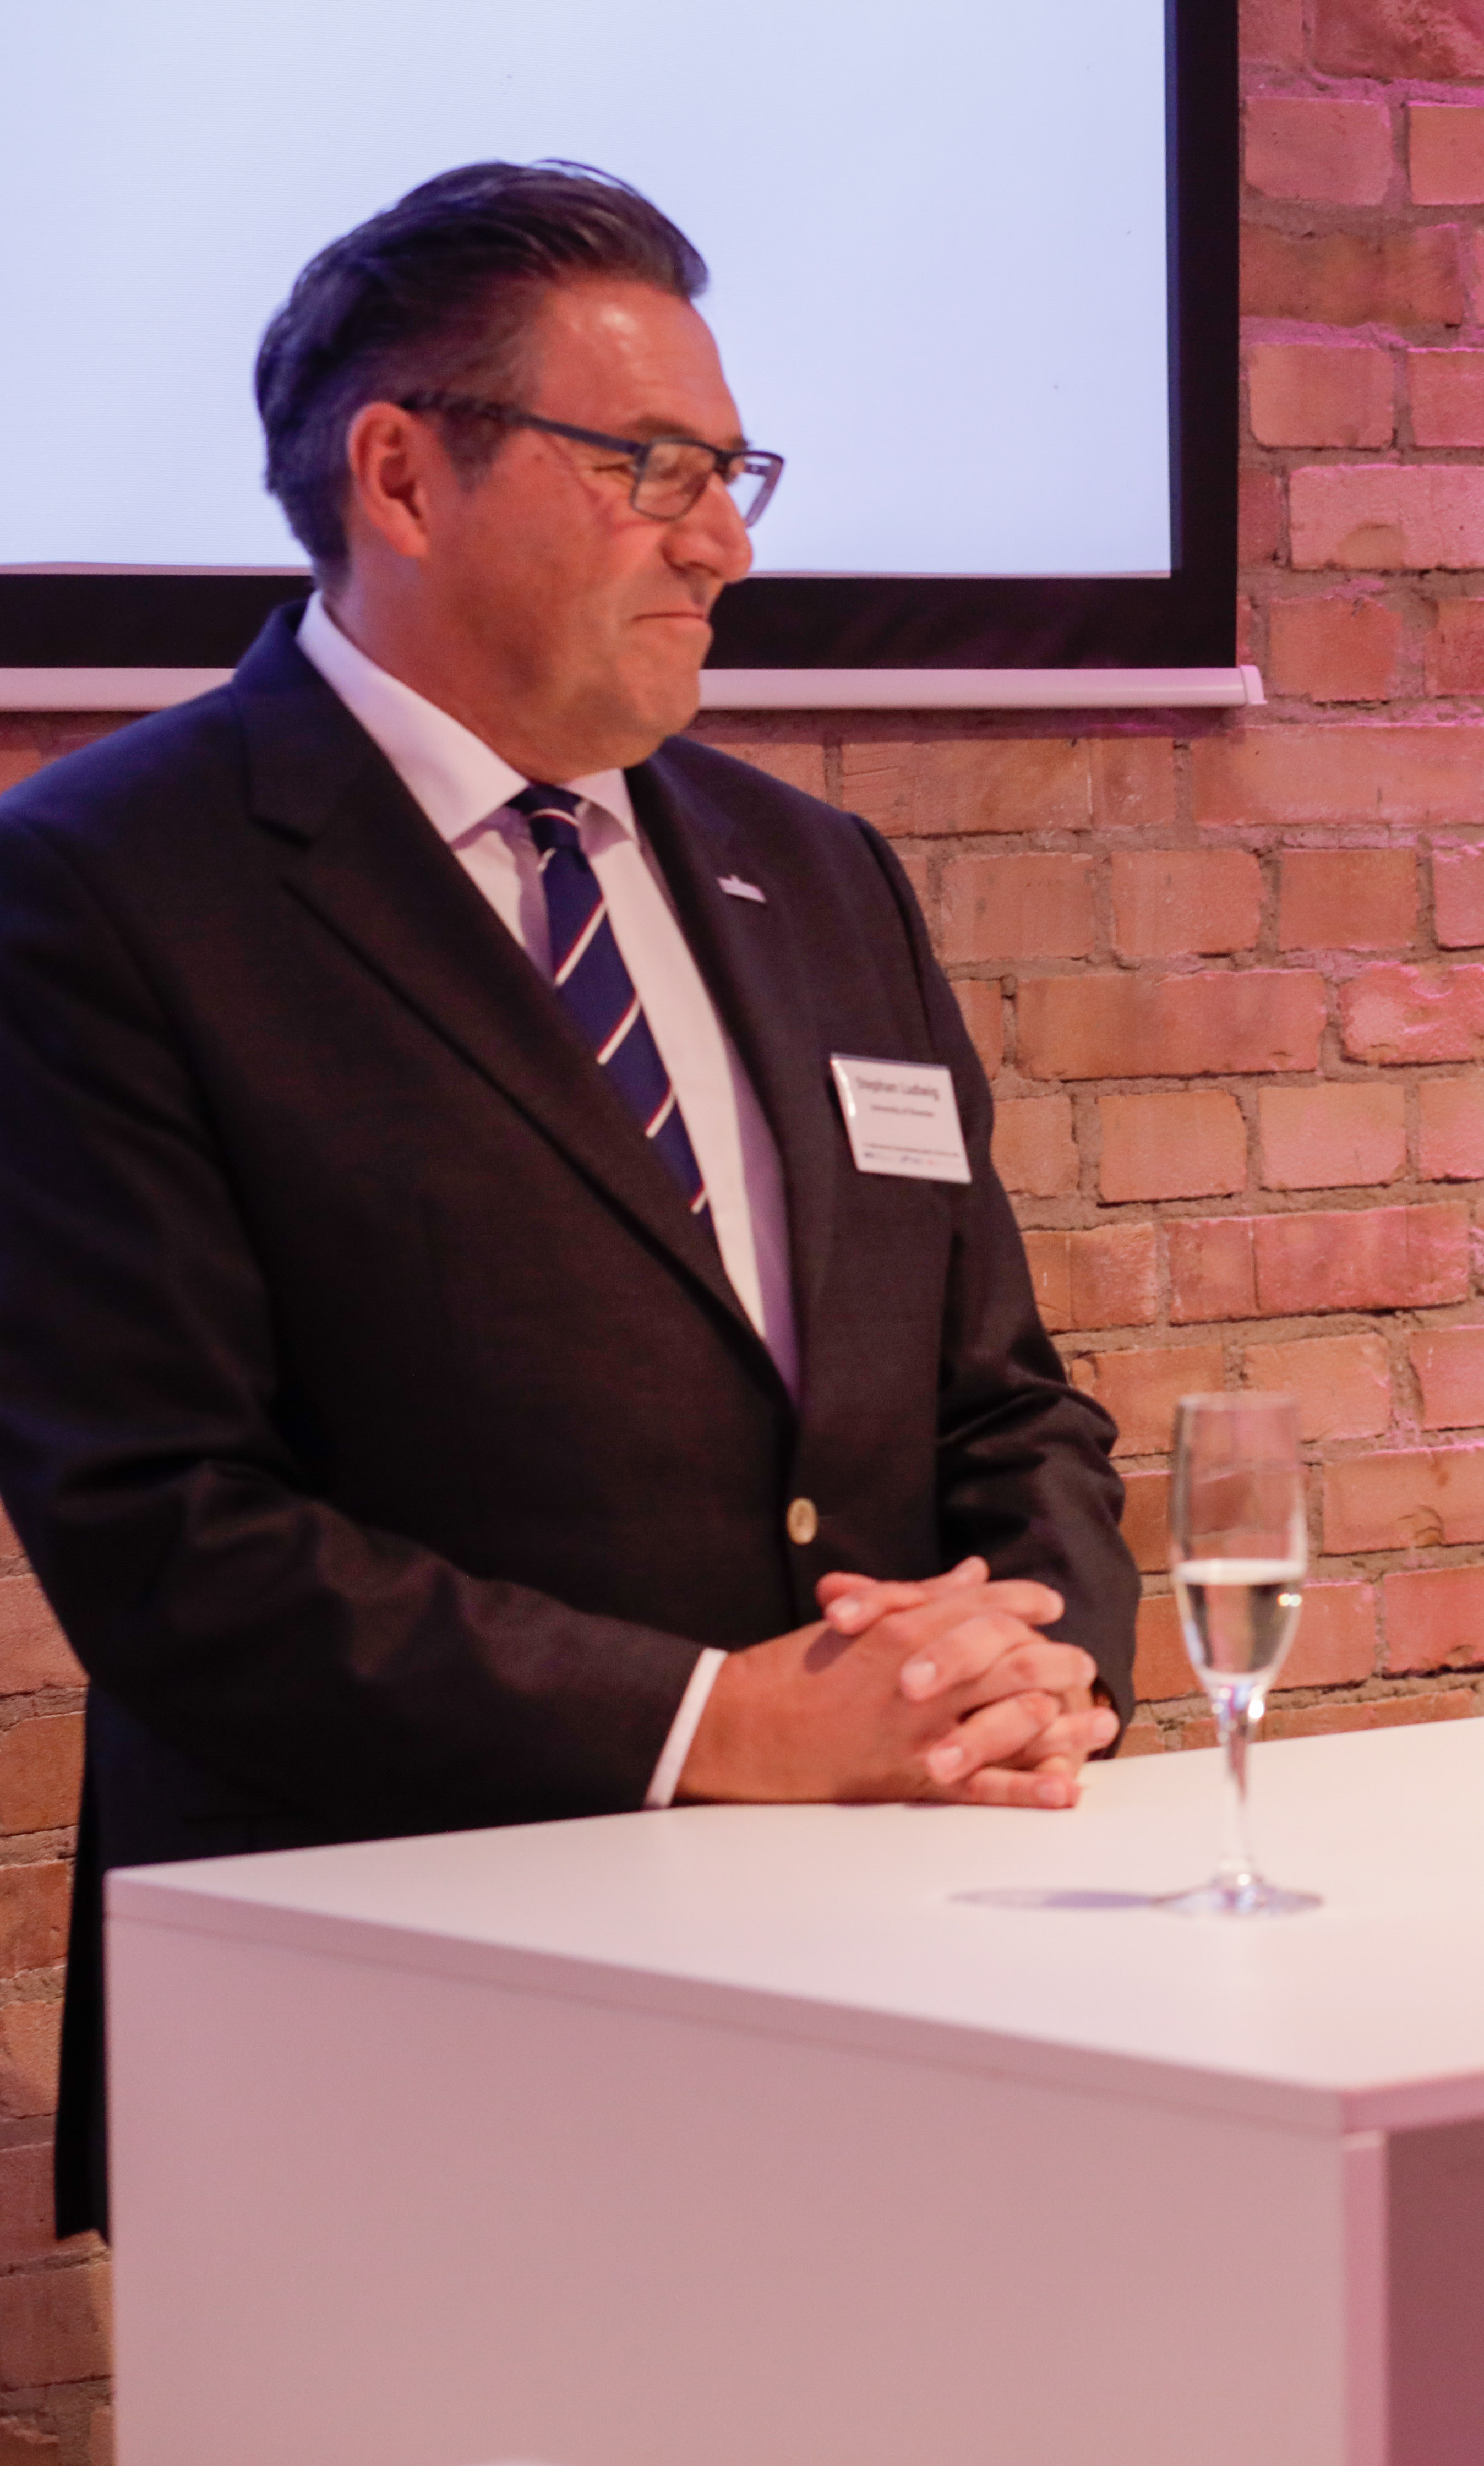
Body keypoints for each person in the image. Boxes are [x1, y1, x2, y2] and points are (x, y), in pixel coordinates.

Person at [0, 163, 1139, 2236]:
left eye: (734, 468)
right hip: (380, 2039)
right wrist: (721, 1725)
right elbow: (165, 1531)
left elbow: (1003, 1403)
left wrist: (1038, 1667)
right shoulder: (103, 888)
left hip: (895, 1988)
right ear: (403, 475)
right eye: (656, 468)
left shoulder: (817, 874)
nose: (729, 537)